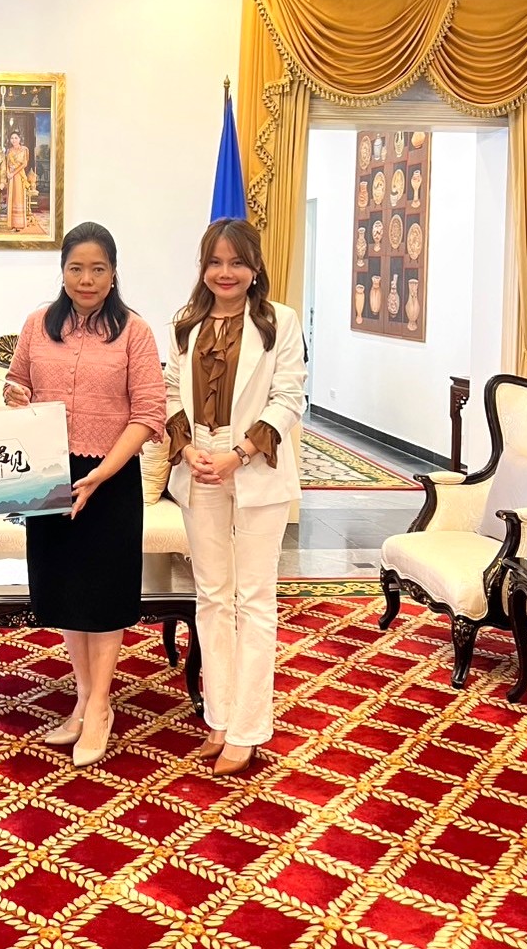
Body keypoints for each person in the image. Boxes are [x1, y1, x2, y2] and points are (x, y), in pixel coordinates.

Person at [4, 222, 166, 767]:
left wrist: (101, 475)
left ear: (113, 273)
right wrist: (16, 396)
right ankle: (82, 698)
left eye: (98, 269)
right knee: (67, 591)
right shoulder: (36, 325)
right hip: (50, 474)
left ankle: (100, 707)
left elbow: (149, 413)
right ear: (62, 271)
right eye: (76, 268)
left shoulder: (135, 332)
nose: (87, 279)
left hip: (111, 475)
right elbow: (18, 384)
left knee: (103, 592)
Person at [164, 218, 306, 777]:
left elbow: (289, 398)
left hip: (254, 465)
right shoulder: (185, 322)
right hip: (199, 465)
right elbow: (169, 391)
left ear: (255, 267)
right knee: (212, 596)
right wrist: (186, 448)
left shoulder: (279, 322)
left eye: (237, 262)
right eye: (215, 262)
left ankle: (248, 729)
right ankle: (219, 718)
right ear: (203, 266)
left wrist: (239, 453)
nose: (226, 273)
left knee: (255, 598)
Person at [4, 130, 30, 231]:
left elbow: (24, 164)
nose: (14, 140)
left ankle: (19, 224)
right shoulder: (9, 151)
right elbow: (6, 163)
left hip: (19, 176)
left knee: (18, 197)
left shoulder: (24, 150)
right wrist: (8, 173)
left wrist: (13, 173)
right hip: (11, 178)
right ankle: (12, 224)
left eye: (16, 138)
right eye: (12, 138)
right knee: (11, 198)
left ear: (20, 139)